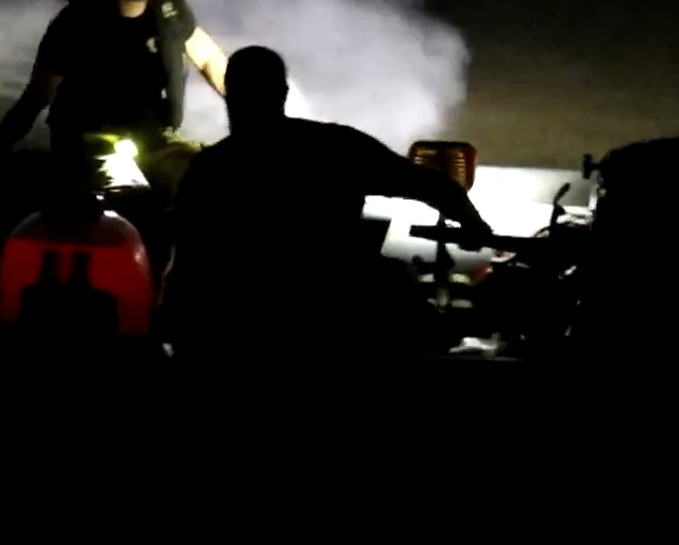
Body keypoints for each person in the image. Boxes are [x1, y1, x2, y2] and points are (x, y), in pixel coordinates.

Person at [164, 46, 493, 361]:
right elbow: (432, 185)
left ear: (230, 94)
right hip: (338, 318)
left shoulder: (208, 169)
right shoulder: (334, 146)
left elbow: (186, 267)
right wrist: (474, 225)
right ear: (283, 92)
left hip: (235, 333)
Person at [0, 0, 231, 193]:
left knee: (214, 180)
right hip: (90, 142)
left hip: (155, 141)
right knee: (128, 193)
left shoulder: (170, 13)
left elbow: (209, 59)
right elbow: (39, 93)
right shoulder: (77, 20)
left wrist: (254, 111)